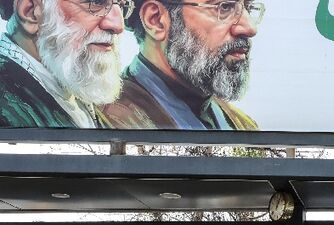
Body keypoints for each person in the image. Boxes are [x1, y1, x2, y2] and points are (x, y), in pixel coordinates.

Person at [101, 0, 262, 129]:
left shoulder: (243, 125)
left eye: (248, 7)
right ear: (156, 20)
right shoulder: (104, 122)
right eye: (224, 7)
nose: (250, 28)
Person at [0, 0, 128, 127]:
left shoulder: (75, 84)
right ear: (31, 11)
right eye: (96, 2)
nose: (119, 26)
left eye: (122, 6)